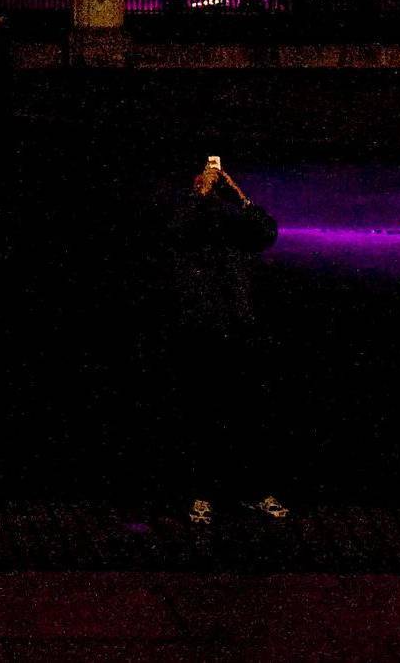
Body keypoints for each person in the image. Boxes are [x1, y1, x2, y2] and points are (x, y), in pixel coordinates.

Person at [163, 155, 289, 528]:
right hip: (200, 330)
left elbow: (267, 232)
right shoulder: (187, 221)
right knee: (203, 414)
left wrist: (239, 196)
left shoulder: (234, 230)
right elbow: (174, 231)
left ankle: (253, 491)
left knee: (249, 415)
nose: (212, 181)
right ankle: (201, 494)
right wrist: (199, 196)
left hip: (239, 329)